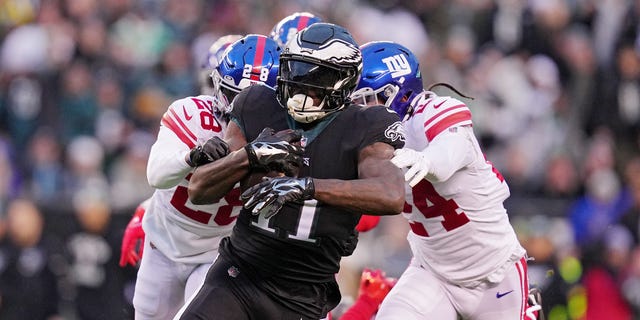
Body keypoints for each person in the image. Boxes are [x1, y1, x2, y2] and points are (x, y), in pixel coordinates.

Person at [175, 23, 406, 320]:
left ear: (343, 81)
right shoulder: (258, 104)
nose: (298, 85)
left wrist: (307, 187)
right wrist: (250, 155)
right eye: (295, 71)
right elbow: (199, 189)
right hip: (240, 275)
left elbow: (391, 194)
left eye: (314, 76)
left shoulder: (364, 124)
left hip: (303, 295)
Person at [351, 41, 543, 319]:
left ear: (399, 94)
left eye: (367, 99)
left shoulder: (434, 112)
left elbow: (449, 152)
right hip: (432, 272)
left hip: (494, 273)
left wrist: (425, 160)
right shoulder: (368, 141)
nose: (360, 110)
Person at [120, 34, 281, 319]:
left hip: (217, 252)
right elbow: (156, 175)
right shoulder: (192, 113)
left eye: (249, 101)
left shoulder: (281, 136)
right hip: (164, 242)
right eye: (230, 94)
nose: (234, 109)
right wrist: (191, 156)